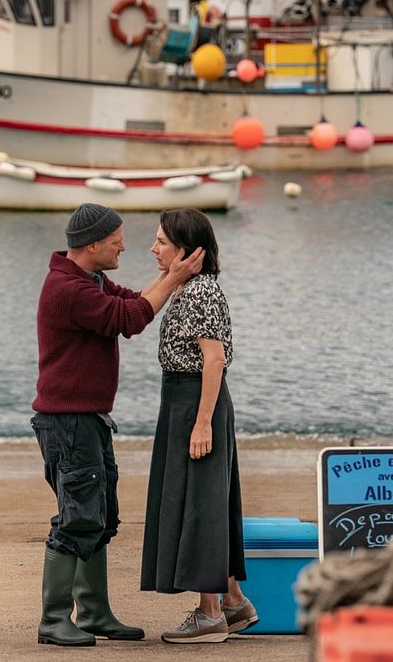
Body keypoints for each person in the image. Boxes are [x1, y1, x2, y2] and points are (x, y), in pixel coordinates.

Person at [32, 203, 204, 647]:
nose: (124, 247)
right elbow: (128, 320)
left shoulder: (89, 278)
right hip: (68, 422)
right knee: (78, 516)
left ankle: (92, 612)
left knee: (101, 515)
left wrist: (170, 278)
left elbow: (130, 300)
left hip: (87, 418)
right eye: (116, 241)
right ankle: (54, 620)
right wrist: (176, 279)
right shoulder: (68, 290)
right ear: (92, 244)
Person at [140, 208, 258, 644]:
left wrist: (203, 423)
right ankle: (233, 603)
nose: (153, 249)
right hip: (183, 402)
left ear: (187, 250)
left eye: (162, 242)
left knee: (201, 505)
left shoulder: (202, 291)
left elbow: (214, 359)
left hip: (195, 402)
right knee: (204, 499)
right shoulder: (188, 287)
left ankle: (210, 615)